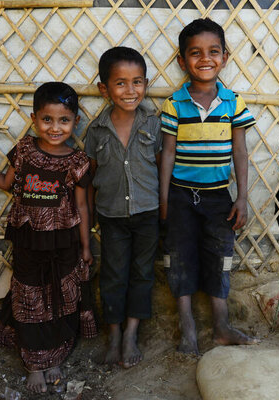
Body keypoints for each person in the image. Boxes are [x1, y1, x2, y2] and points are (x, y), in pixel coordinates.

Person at [0, 82, 96, 393]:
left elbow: (83, 206)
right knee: (30, 300)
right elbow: (6, 184)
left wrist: (86, 247)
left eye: (64, 120)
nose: (55, 127)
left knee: (61, 300)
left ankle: (56, 358)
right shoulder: (24, 151)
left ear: (75, 120)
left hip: (64, 243)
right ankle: (34, 363)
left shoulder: (77, 162)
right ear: (34, 119)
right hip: (28, 242)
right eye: (47, 119)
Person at [159, 18, 260, 355]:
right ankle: (186, 325)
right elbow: (168, 154)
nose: (205, 59)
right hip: (180, 196)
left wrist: (242, 197)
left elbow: (241, 151)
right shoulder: (175, 104)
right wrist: (164, 201)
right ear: (181, 61)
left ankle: (221, 325)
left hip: (219, 197)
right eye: (195, 52)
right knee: (179, 257)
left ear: (225, 57)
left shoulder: (234, 103)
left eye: (213, 51)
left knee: (220, 257)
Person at [84, 47, 162, 368]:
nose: (130, 91)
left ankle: (132, 333)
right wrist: (88, 221)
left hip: (148, 214)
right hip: (111, 216)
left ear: (146, 84)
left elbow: (161, 167)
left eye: (137, 82)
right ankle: (114, 333)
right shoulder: (96, 131)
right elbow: (89, 177)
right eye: (121, 83)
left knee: (142, 273)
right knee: (113, 274)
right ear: (104, 88)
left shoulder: (154, 125)